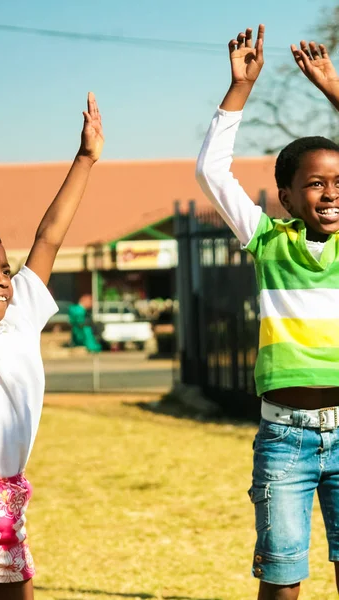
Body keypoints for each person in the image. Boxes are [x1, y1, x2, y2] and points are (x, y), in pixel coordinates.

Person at [0, 92, 104, 599]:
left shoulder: (24, 315)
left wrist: (85, 158)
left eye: (4, 269)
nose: (2, 279)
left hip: (10, 498)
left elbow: (50, 237)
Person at [196, 24, 339, 600]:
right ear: (284, 195)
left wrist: (333, 89)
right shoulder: (267, 239)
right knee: (281, 576)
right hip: (285, 437)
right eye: (315, 184)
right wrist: (240, 89)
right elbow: (211, 171)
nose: (331, 193)